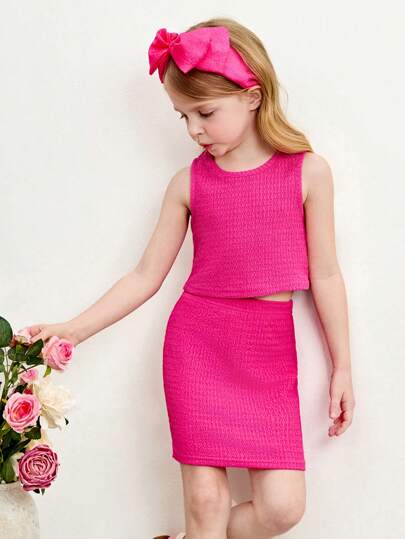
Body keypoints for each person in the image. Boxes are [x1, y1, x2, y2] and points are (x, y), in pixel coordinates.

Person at [27, 17, 356, 539]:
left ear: (252, 97)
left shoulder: (308, 172)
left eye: (205, 113)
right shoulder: (187, 184)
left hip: (268, 353)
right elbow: (145, 275)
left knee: (282, 509)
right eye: (183, 116)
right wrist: (73, 329)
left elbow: (327, 274)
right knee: (205, 505)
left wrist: (342, 366)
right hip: (198, 345)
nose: (193, 130)